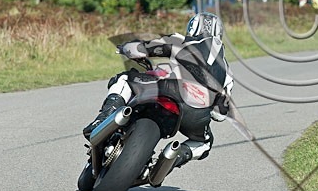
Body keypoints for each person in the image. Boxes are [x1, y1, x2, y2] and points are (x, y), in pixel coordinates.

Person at [82, 12, 233, 169]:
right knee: (205, 143)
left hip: (169, 87)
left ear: (192, 28)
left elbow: (146, 48)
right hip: (196, 113)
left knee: (124, 80)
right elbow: (220, 114)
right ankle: (168, 162)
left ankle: (102, 119)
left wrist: (127, 48)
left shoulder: (181, 40)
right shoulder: (227, 71)